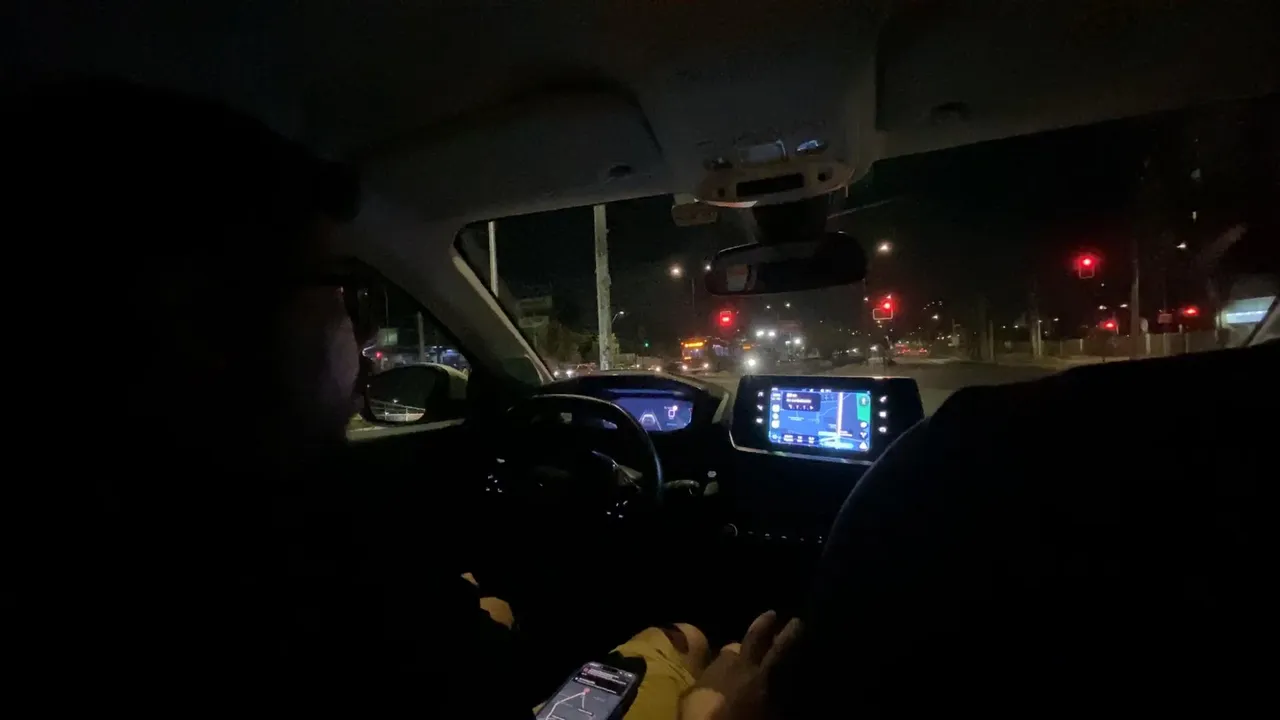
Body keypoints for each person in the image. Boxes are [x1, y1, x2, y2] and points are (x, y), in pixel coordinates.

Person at [19, 78, 780, 719]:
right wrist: (718, 711)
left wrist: (459, 614)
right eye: (340, 287)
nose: (357, 328)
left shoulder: (200, 528)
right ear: (214, 321)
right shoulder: (320, 561)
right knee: (684, 638)